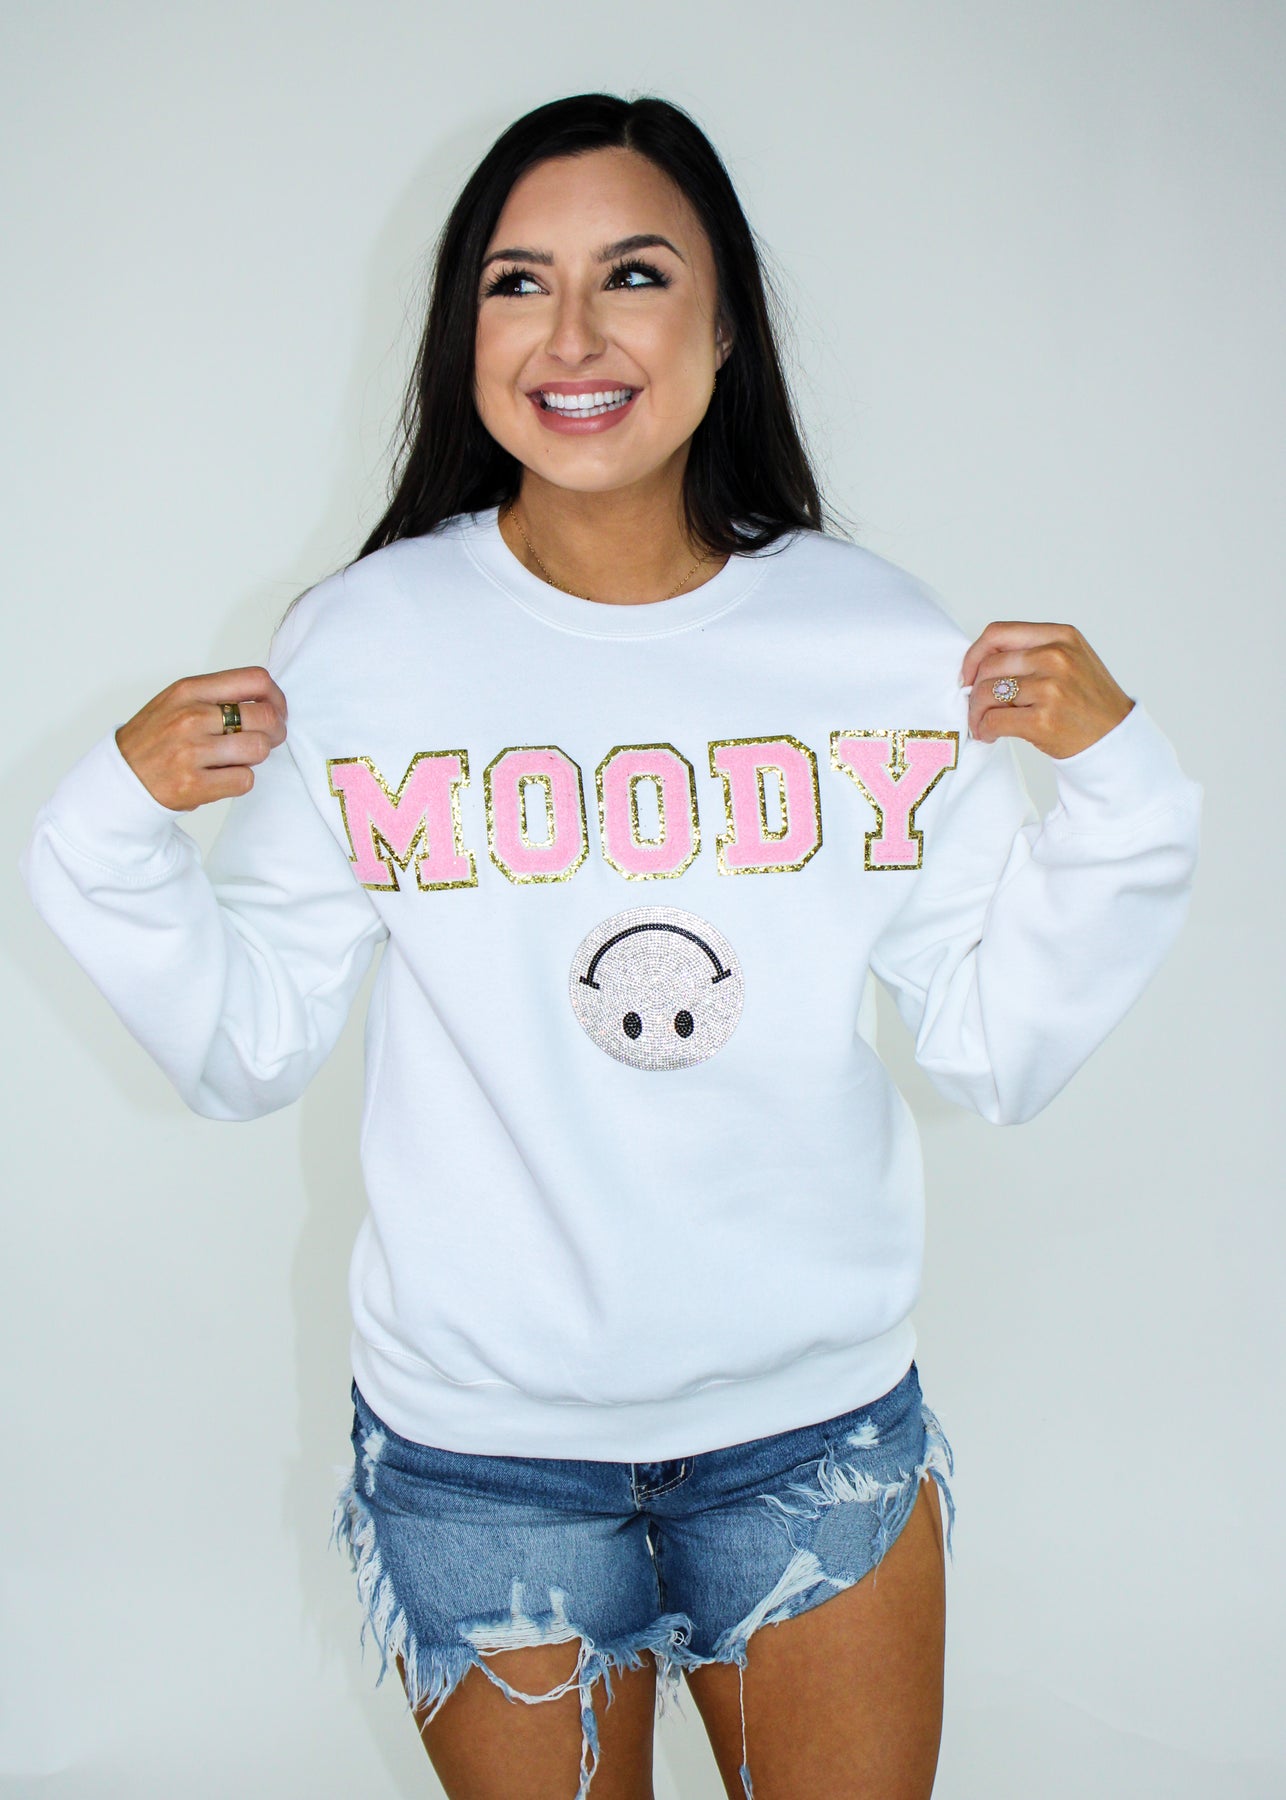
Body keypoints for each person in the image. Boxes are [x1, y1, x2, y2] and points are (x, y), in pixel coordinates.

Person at [20, 91, 1201, 1800]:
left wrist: (1123, 802)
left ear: (723, 328)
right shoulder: (362, 648)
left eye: (633, 275)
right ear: (466, 332)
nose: (570, 334)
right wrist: (110, 831)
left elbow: (990, 1048)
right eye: (518, 283)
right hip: (481, 1462)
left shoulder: (874, 642)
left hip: (811, 1433)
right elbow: (246, 1047)